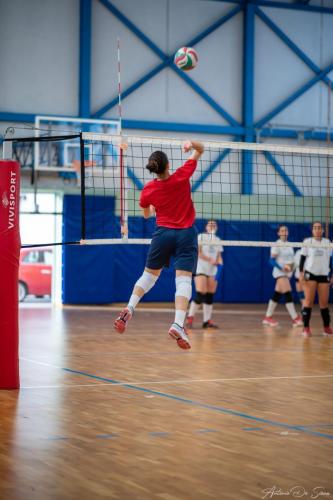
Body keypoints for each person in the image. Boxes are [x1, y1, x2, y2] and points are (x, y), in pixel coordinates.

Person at [114, 140, 204, 349]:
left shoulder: (148, 190)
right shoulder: (182, 175)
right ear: (168, 165)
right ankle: (178, 323)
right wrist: (191, 144)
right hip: (186, 234)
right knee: (183, 280)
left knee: (148, 276)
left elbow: (146, 215)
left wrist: (155, 205)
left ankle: (129, 308)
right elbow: (201, 149)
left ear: (152, 168)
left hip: (162, 234)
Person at [262, 225, 302, 327]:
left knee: (277, 295)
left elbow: (292, 261)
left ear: (288, 232)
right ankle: (295, 318)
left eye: (286, 230)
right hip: (279, 273)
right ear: (278, 233)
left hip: (287, 273)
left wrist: (291, 267)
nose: (284, 232)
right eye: (282, 230)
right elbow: (271, 260)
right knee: (288, 293)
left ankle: (267, 318)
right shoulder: (276, 244)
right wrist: (281, 268)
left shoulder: (290, 245)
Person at [186, 220, 223, 329]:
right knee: (200, 293)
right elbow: (198, 252)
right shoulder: (201, 236)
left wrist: (220, 264)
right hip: (201, 268)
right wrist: (210, 259)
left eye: (214, 224)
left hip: (212, 270)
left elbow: (219, 256)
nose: (212, 226)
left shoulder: (218, 240)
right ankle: (190, 317)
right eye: (210, 224)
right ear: (206, 227)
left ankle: (207, 321)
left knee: (209, 296)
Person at [299, 221, 333, 338]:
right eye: (315, 228)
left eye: (319, 228)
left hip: (323, 275)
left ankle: (326, 328)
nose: (318, 230)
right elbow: (302, 259)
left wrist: (332, 274)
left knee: (324, 303)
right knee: (308, 302)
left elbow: (330, 260)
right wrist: (300, 273)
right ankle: (306, 328)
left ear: (323, 230)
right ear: (312, 230)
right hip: (310, 274)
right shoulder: (307, 242)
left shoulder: (327, 242)